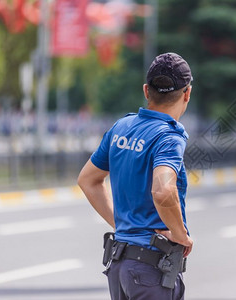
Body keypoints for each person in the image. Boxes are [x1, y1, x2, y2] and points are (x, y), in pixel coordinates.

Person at [78, 52, 194, 300]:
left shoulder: (121, 128)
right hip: (151, 270)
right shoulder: (168, 137)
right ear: (187, 93)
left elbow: (88, 180)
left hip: (121, 265)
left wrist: (122, 226)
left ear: (146, 90)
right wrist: (180, 235)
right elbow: (163, 190)